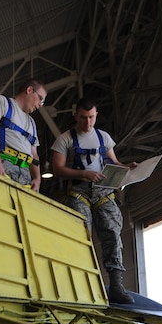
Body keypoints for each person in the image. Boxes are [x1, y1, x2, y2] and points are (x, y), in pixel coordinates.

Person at [51, 97, 137, 304]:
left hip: (103, 192)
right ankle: (80, 286)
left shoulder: (103, 137)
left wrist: (128, 167)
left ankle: (117, 286)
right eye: (83, 117)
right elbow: (58, 169)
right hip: (78, 192)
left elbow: (114, 162)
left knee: (112, 235)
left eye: (91, 117)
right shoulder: (65, 139)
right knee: (80, 237)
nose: (87, 122)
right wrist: (84, 174)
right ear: (75, 115)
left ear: (96, 115)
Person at [0, 78, 47, 192]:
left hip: (25, 174)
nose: (40, 105)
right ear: (29, 90)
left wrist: (37, 178)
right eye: (40, 99)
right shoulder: (3, 103)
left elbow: (34, 154)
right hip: (3, 165)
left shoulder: (32, 123)